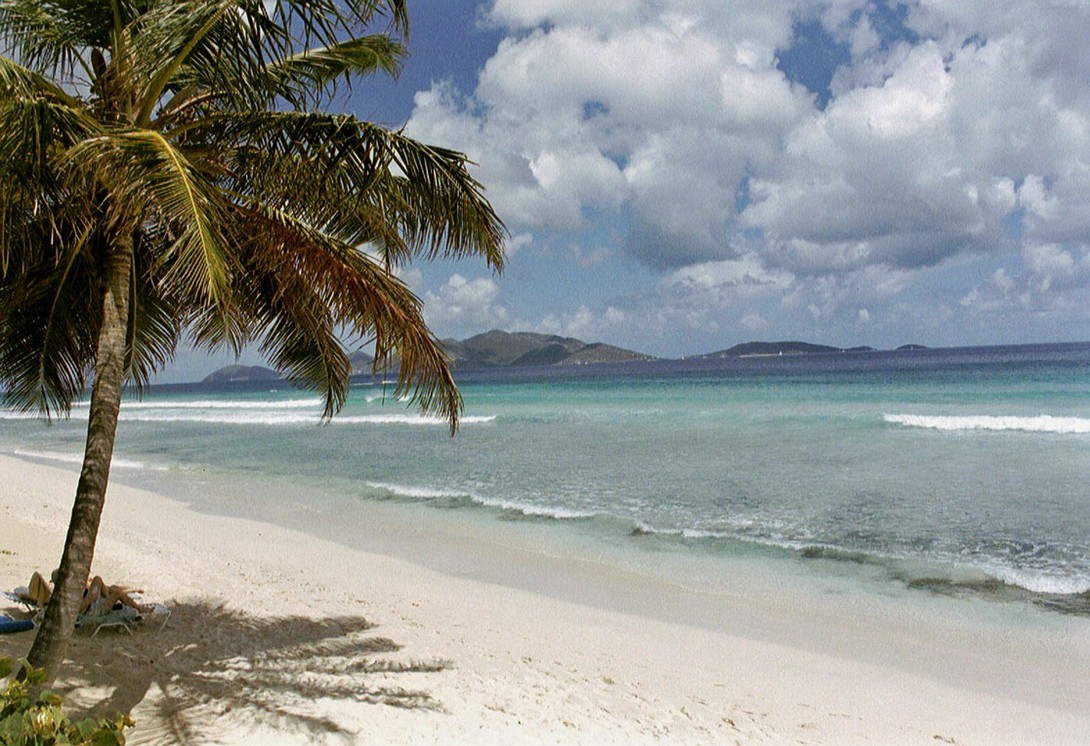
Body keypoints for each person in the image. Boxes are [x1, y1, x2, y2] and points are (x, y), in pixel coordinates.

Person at [27, 570, 153, 615]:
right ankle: (140, 609)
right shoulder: (65, 597)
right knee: (117, 593)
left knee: (99, 580)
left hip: (94, 601)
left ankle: (111, 596)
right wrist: (90, 599)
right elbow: (78, 610)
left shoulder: (65, 590)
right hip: (92, 609)